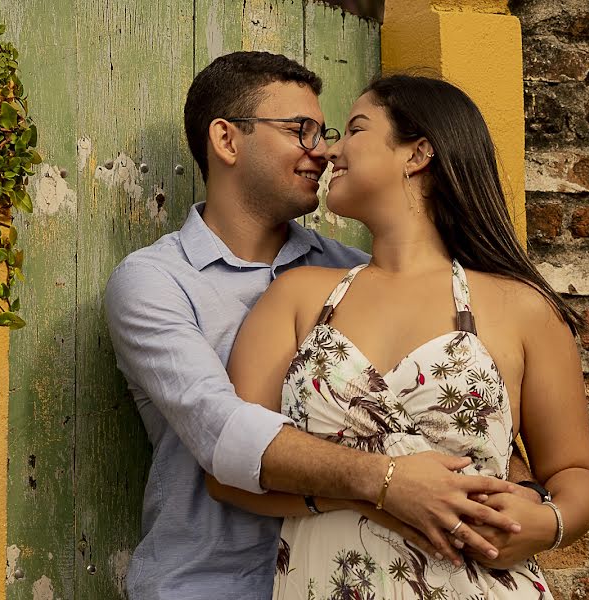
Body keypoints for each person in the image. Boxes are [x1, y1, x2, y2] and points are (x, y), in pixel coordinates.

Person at [105, 53, 533, 600]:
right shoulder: (155, 282)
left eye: (326, 131)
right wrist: (384, 487)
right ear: (227, 140)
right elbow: (224, 431)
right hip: (210, 583)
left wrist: (529, 496)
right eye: (299, 130)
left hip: (352, 581)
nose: (322, 149)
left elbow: (455, 413)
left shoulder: (349, 273)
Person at [207, 74, 589, 598]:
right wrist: (378, 492)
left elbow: (575, 471)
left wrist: (546, 524)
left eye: (354, 130)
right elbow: (231, 471)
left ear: (417, 153)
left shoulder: (521, 307)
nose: (329, 151)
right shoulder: (298, 297)